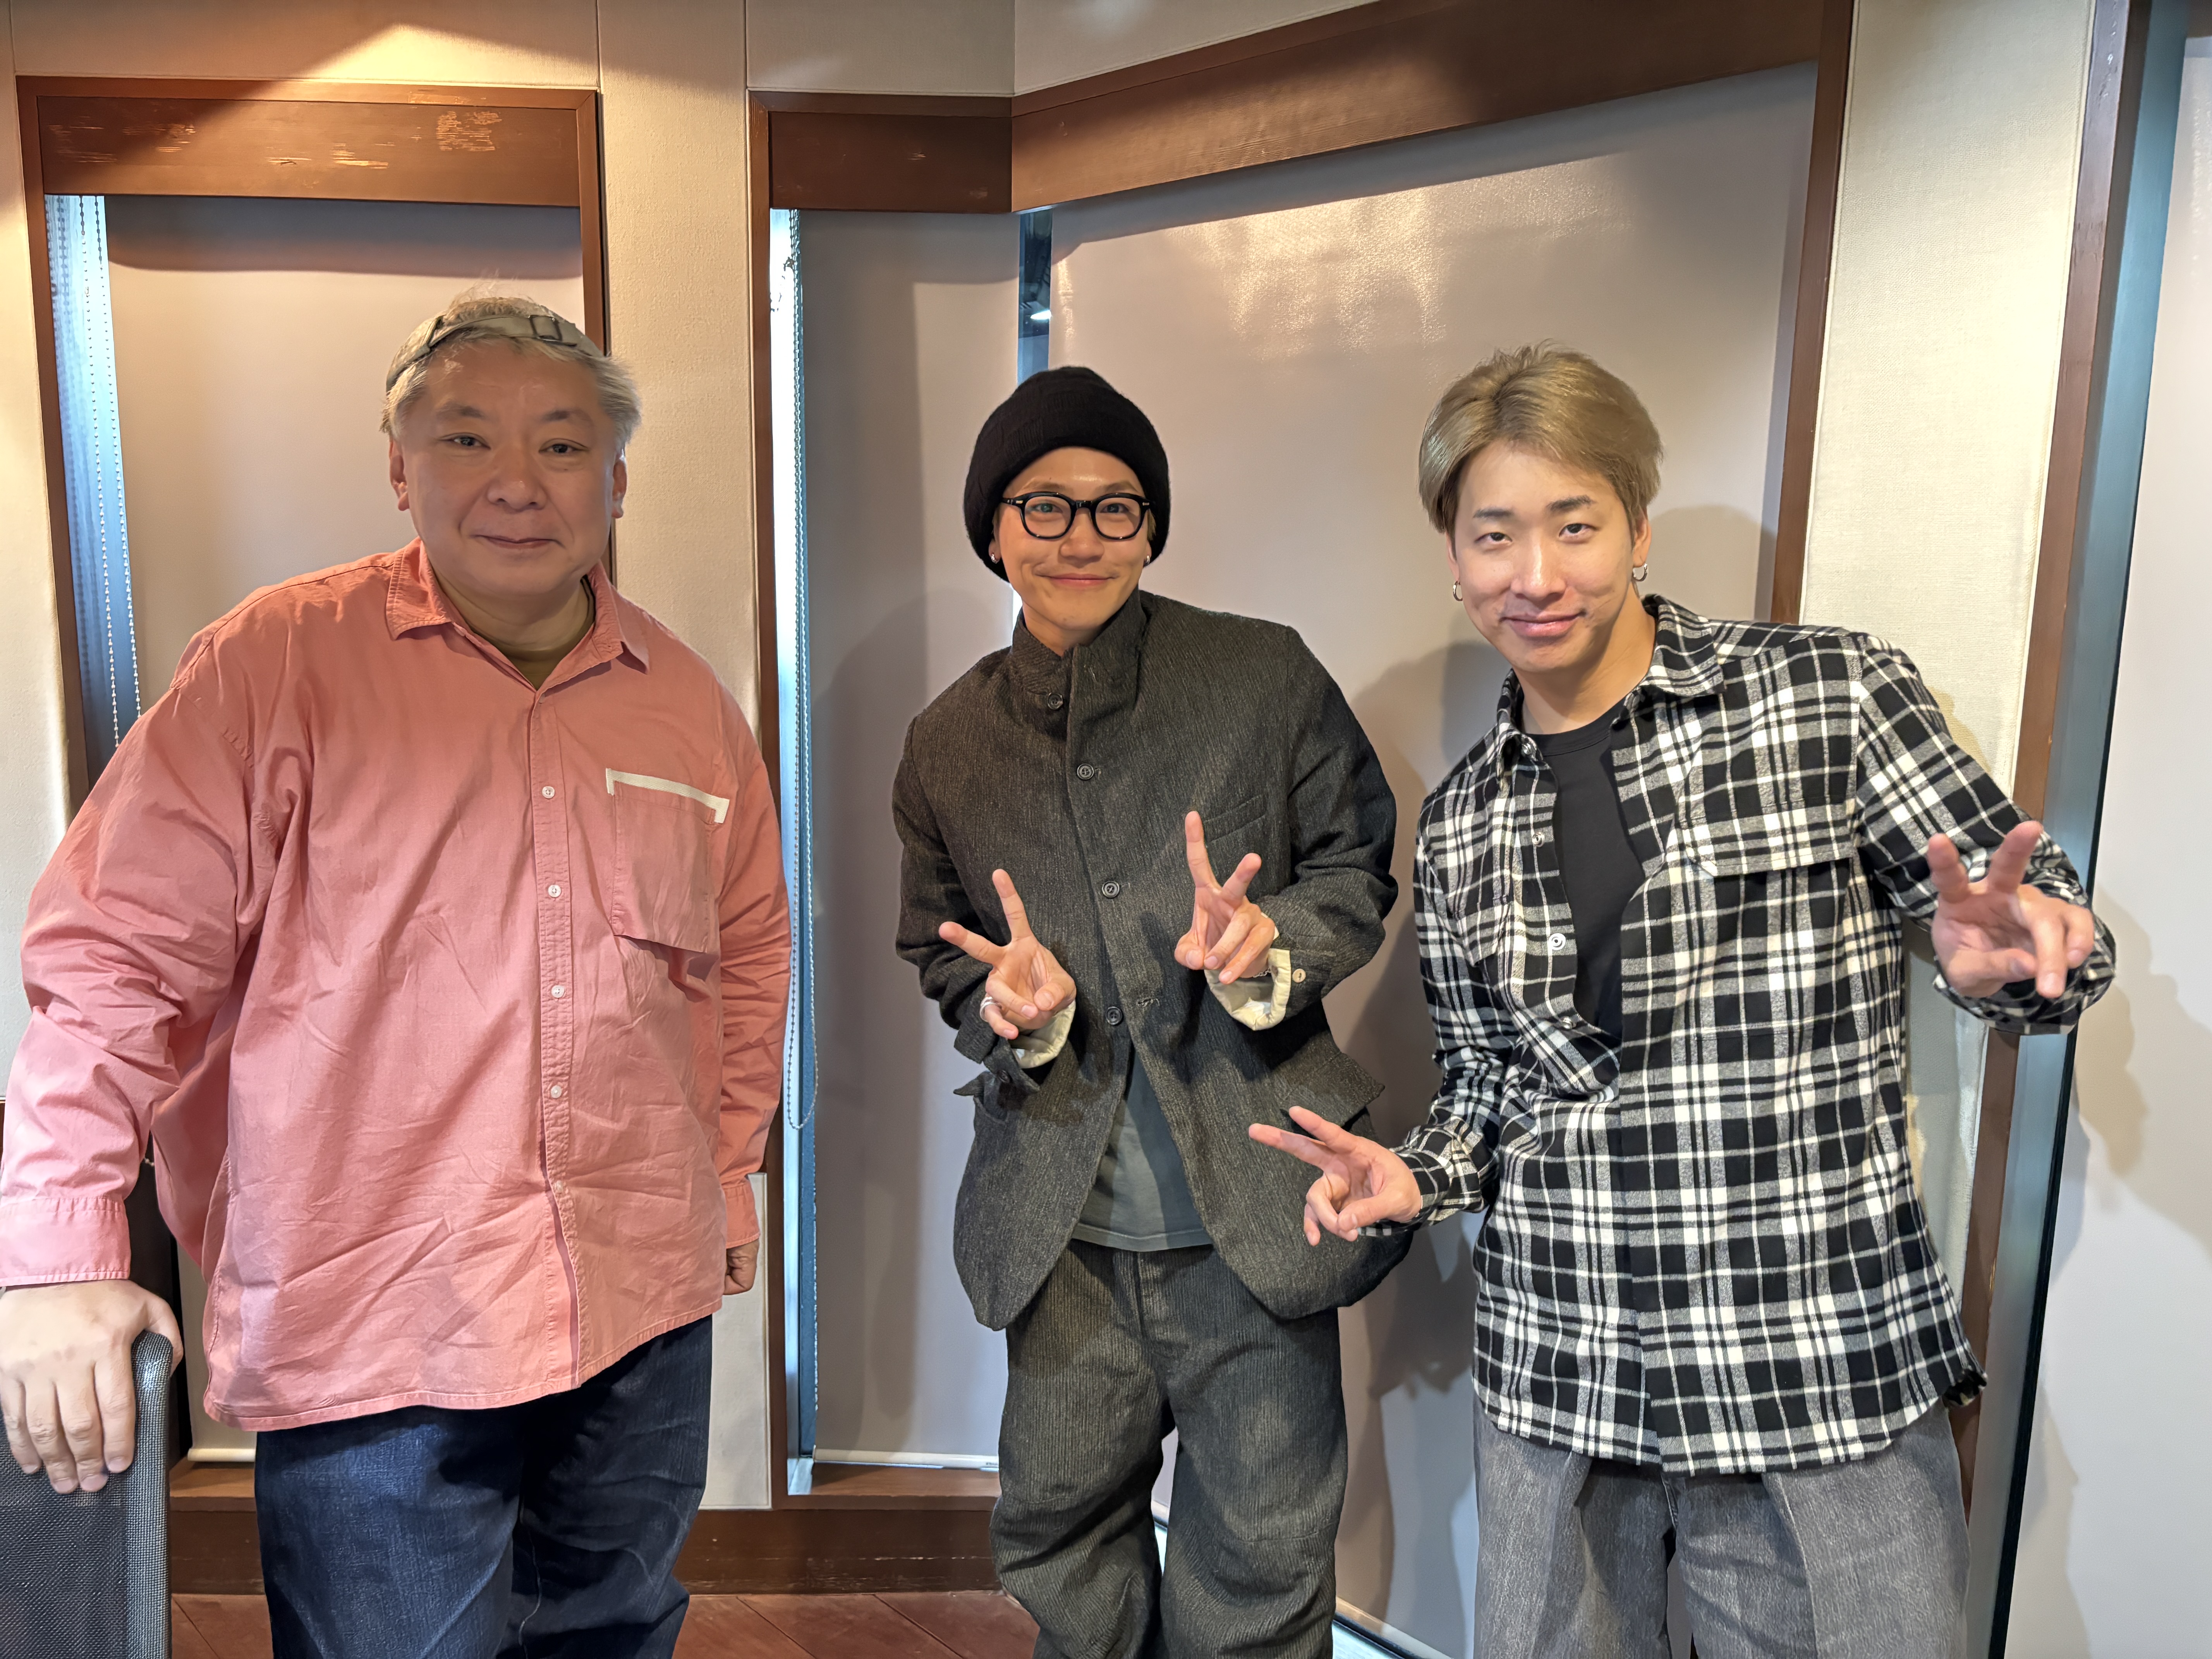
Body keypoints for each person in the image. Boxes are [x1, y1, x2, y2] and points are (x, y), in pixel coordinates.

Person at [1252, 345, 2114, 1659]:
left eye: (1575, 524)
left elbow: (2034, 919)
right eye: (1495, 534)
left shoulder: (1826, 695)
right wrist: (1416, 1175)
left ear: (1639, 527)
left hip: (1806, 1356)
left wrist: (2020, 959)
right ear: (1455, 559)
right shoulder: (1463, 816)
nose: (1536, 575)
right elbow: (1492, 1085)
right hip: (1563, 1367)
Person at [0, 294, 790, 1658]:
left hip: (641, 1299)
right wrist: (58, 1254)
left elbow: (744, 960)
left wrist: (724, 1179)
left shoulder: (688, 704)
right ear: (400, 468)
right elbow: (115, 957)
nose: (517, 481)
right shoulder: (273, 665)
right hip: (375, 1309)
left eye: (562, 444)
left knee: (612, 1630)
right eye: (467, 437)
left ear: (616, 479)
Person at [895, 366, 1407, 1658]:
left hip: (1262, 1210)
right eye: (1045, 506)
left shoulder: (1261, 674)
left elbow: (1355, 862)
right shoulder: (947, 742)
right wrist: (1013, 1010)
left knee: (1265, 1553)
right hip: (1057, 1233)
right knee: (1060, 1539)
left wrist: (1270, 945)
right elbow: (936, 944)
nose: (1081, 536)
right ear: (994, 528)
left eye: (1116, 507)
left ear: (1152, 528)